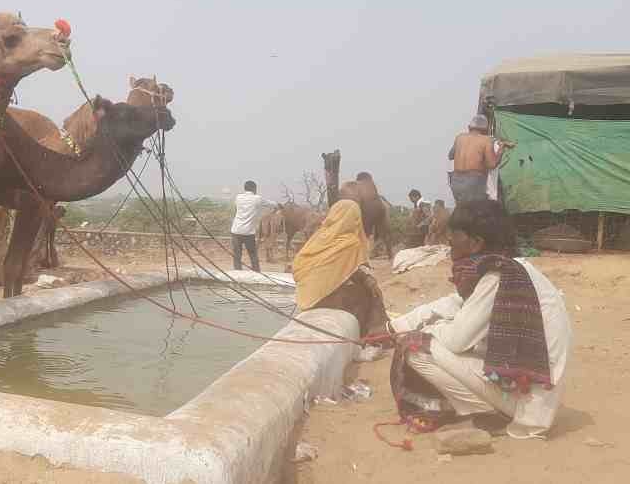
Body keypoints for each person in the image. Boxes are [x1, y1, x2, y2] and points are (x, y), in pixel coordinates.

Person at [386, 200, 571, 439]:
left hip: (525, 403)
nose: (449, 239)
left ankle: (484, 413)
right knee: (432, 335)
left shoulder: (498, 277)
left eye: (455, 234)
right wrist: (396, 325)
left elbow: (456, 341)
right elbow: (454, 304)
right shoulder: (512, 270)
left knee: (414, 346)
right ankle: (486, 409)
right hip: (532, 397)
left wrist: (425, 328)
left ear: (476, 243)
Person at [292, 192, 388, 338]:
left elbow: (336, 269)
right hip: (326, 299)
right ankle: (371, 334)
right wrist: (368, 280)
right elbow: (350, 271)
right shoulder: (351, 242)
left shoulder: (320, 236)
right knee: (367, 294)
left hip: (306, 297)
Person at [448, 114, 506, 204]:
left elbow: (450, 156)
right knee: (479, 209)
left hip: (455, 182)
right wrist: (501, 150)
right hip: (474, 182)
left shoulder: (459, 137)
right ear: (486, 130)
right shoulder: (486, 140)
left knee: (462, 207)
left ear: (469, 127)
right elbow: (492, 164)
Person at [229, 180, 277, 271]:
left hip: (236, 230)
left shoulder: (238, 197)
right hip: (248, 232)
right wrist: (279, 205)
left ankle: (237, 273)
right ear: (254, 189)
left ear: (245, 188)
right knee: (253, 254)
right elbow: (271, 204)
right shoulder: (257, 199)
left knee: (237, 255)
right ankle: (256, 272)